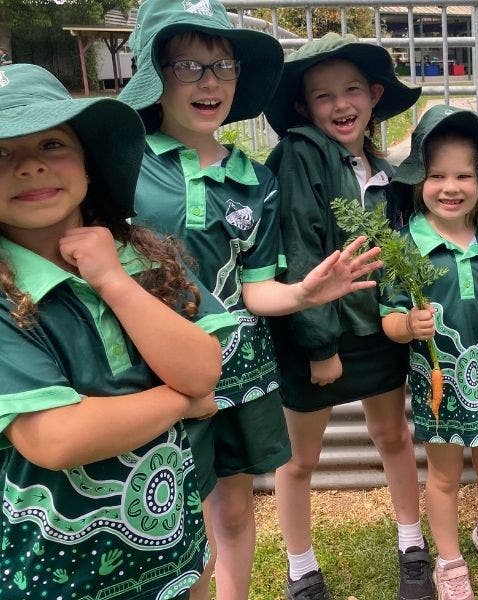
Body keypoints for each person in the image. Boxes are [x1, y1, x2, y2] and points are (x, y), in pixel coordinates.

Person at [118, 5, 382, 600]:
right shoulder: (122, 163)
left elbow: (256, 288)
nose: (209, 82)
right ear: (154, 72)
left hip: (240, 376)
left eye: (222, 66)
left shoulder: (254, 179)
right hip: (150, 381)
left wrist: (303, 293)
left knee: (233, 514)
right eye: (188, 65)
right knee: (168, 529)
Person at [0, 63, 238, 600]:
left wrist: (112, 280)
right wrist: (181, 404)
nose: (31, 167)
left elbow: (202, 371)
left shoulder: (146, 257)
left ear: (89, 160)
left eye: (53, 143)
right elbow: (55, 437)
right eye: (2, 153)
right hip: (53, 574)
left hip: (171, 545)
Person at [263, 33, 428, 600]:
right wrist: (318, 346)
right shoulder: (300, 153)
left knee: (392, 435)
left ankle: (412, 543)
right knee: (301, 458)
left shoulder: (384, 168)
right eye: (323, 95)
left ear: (375, 95)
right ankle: (301, 567)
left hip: (378, 332)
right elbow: (302, 247)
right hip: (321, 336)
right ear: (305, 109)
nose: (340, 105)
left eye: (352, 90)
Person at [381, 105, 478, 599]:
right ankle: (448, 558)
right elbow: (387, 319)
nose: (451, 187)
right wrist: (407, 324)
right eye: (437, 175)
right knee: (443, 477)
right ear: (419, 180)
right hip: (438, 388)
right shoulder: (405, 247)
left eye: (464, 175)